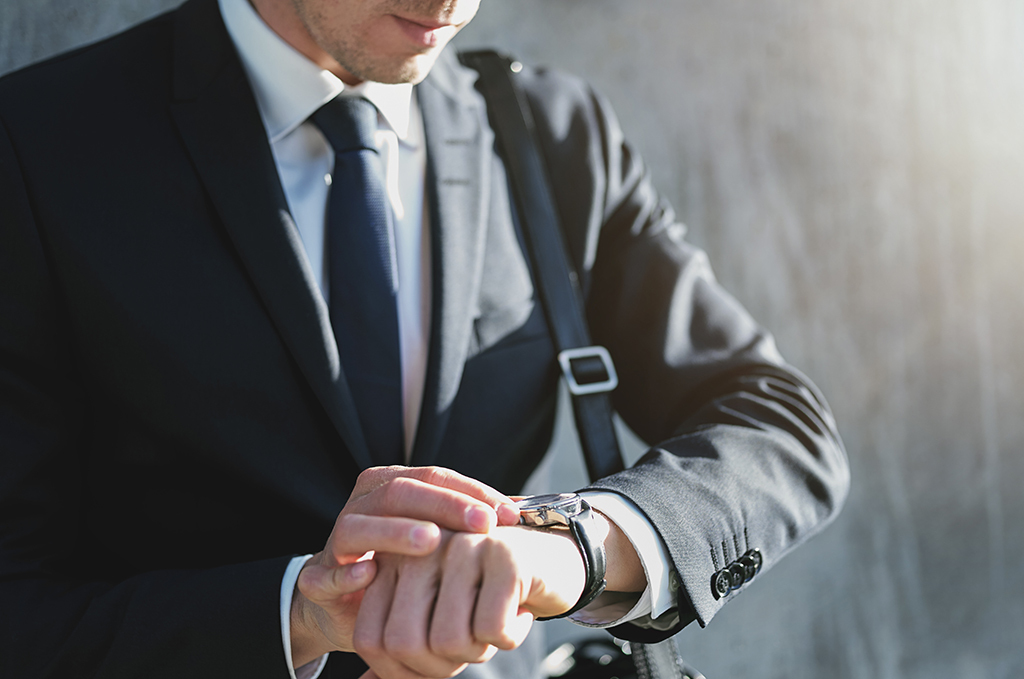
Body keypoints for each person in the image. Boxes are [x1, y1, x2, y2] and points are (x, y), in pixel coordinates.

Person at [0, 0, 850, 677]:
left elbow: (783, 428)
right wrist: (301, 610)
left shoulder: (552, 136)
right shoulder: (35, 146)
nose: (453, 2)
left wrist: (571, 548)